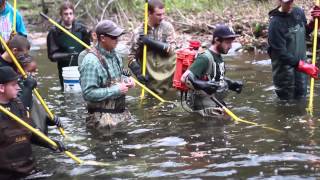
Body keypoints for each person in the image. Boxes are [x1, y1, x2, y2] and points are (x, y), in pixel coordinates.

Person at [0, 66, 66, 180]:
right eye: (14, 84)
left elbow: (30, 131)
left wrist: (50, 143)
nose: (18, 88)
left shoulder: (18, 104)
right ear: (1, 88)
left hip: (29, 170)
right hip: (7, 174)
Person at [79, 20, 135, 129]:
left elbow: (118, 78)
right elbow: (88, 93)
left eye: (118, 36)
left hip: (120, 114)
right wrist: (116, 90)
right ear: (103, 38)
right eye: (114, 37)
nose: (117, 40)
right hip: (101, 121)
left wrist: (126, 81)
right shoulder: (91, 62)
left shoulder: (116, 56)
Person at [181, 24, 243, 117]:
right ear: (217, 40)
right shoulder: (205, 58)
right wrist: (203, 85)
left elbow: (213, 77)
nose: (230, 46)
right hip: (204, 110)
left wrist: (230, 84)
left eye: (231, 42)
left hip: (215, 105)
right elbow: (185, 78)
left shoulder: (218, 56)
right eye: (227, 42)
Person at [268, 0, 320, 100]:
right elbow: (280, 53)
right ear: (280, 1)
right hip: (284, 75)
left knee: (302, 100)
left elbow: (304, 32)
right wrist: (303, 66)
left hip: (301, 72)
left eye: (291, 1)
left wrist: (314, 22)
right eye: (287, 2)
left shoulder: (298, 12)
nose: (290, 5)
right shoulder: (275, 23)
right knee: (287, 105)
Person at [128, 0, 176, 95]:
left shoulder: (168, 27)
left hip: (169, 77)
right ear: (149, 13)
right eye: (158, 15)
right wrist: (138, 72)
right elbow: (130, 58)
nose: (162, 17)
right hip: (151, 79)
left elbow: (171, 50)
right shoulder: (138, 32)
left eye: (163, 14)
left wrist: (150, 42)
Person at [47, 1, 90, 90]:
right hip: (65, 70)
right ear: (61, 15)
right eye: (65, 14)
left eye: (71, 13)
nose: (68, 16)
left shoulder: (81, 29)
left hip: (82, 68)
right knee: (67, 93)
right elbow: (52, 56)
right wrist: (68, 55)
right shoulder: (54, 32)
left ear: (74, 14)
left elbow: (88, 49)